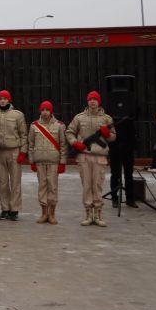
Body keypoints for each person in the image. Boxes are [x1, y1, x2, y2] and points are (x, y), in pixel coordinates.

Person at [66, 91, 116, 227]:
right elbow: (69, 132)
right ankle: (88, 214)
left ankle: (98, 214)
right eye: (90, 99)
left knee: (97, 186)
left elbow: (113, 137)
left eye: (95, 99)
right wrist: (75, 142)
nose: (92, 101)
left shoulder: (106, 118)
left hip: (100, 156)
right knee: (87, 186)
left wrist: (107, 134)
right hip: (84, 156)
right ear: (87, 101)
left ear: (99, 101)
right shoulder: (79, 117)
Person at [0, 90, 28, 221]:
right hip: (0, 152)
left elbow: (23, 134)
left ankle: (14, 209)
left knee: (15, 182)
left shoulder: (18, 115)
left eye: (5, 98)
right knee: (3, 182)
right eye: (0, 99)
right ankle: (5, 209)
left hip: (14, 151)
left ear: (9, 100)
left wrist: (23, 152)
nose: (3, 101)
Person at [27, 101, 67, 225]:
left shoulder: (59, 125)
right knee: (42, 187)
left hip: (53, 161)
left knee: (53, 187)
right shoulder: (34, 126)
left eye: (47, 110)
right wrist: (32, 161)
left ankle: (52, 213)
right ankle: (44, 213)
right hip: (40, 161)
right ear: (40, 111)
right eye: (43, 109)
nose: (45, 112)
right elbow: (31, 145)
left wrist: (62, 162)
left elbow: (63, 145)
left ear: (51, 111)